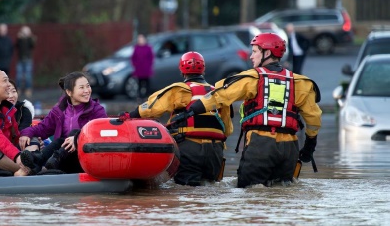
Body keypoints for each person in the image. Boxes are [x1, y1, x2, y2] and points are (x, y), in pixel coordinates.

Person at [171, 33, 322, 188]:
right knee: (280, 193)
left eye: (255, 51)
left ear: (267, 53)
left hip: (261, 145)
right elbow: (314, 118)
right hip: (290, 148)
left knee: (249, 192)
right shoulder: (301, 82)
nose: (251, 56)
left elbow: (219, 95)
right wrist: (310, 146)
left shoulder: (252, 78)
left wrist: (191, 111)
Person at [126, 52, 232, 186]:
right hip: (215, 151)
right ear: (203, 69)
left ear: (182, 71)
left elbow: (151, 108)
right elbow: (227, 129)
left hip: (189, 148)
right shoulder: (218, 93)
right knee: (210, 188)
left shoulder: (179, 90)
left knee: (186, 189)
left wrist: (130, 115)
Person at [19, 72, 108, 174]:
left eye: (88, 86)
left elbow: (102, 134)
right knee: (60, 141)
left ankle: (45, 162)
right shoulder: (59, 110)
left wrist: (78, 138)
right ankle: (36, 162)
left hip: (85, 158)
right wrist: (26, 133)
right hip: (61, 161)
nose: (87, 90)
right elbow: (42, 128)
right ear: (69, 92)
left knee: (74, 133)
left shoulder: (97, 110)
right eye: (82, 87)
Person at [131, 33, 154, 100]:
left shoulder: (148, 48)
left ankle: (147, 95)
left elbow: (151, 57)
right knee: (139, 83)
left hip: (146, 68)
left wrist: (149, 65)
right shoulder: (136, 48)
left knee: (147, 83)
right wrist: (135, 64)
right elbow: (133, 58)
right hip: (139, 69)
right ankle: (140, 96)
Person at [15, 25, 36, 98]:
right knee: (19, 75)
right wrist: (19, 38)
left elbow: (32, 45)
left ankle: (28, 89)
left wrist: (29, 37)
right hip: (20, 59)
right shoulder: (20, 39)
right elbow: (17, 46)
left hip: (28, 59)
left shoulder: (30, 39)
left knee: (28, 75)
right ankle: (18, 89)